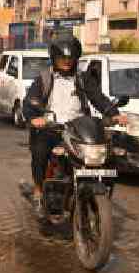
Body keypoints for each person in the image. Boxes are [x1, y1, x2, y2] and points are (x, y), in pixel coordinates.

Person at [23, 37, 127, 218]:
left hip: (78, 129)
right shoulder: (44, 79)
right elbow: (30, 101)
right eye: (62, 58)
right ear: (54, 58)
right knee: (39, 151)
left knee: (107, 155)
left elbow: (98, 98)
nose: (66, 61)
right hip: (51, 128)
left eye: (70, 58)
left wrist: (114, 114)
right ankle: (39, 191)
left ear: (76, 58)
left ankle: (96, 192)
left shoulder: (83, 78)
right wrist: (35, 117)